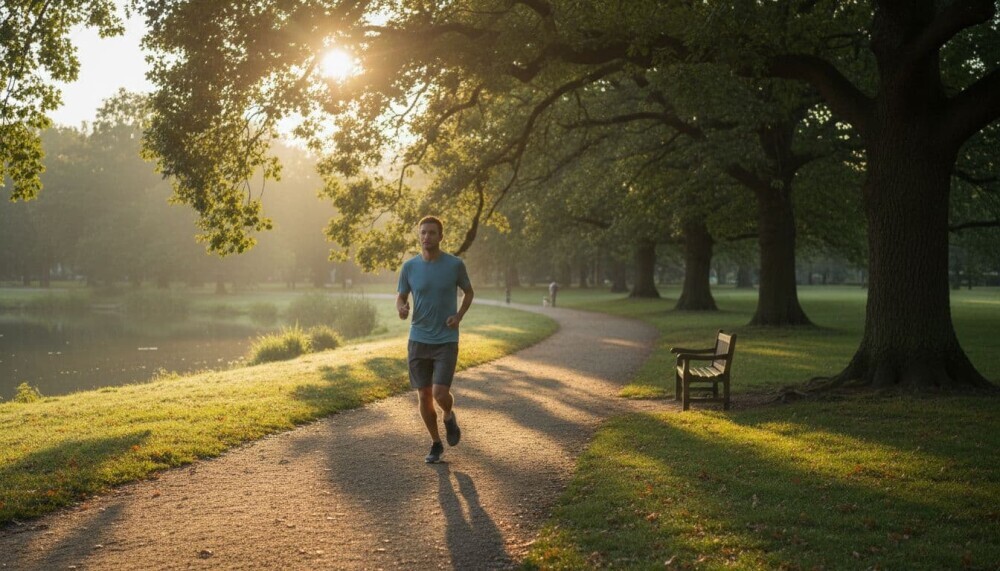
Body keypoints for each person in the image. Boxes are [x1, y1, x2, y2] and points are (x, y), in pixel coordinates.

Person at [396, 216, 475, 463]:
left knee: (441, 394)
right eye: (423, 233)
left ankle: (449, 416)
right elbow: (401, 297)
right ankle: (436, 443)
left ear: (441, 237)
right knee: (424, 395)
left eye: (431, 233)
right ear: (419, 236)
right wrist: (401, 308)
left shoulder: (455, 265)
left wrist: (459, 315)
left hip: (446, 339)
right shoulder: (409, 267)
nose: (426, 237)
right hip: (418, 339)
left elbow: (469, 292)